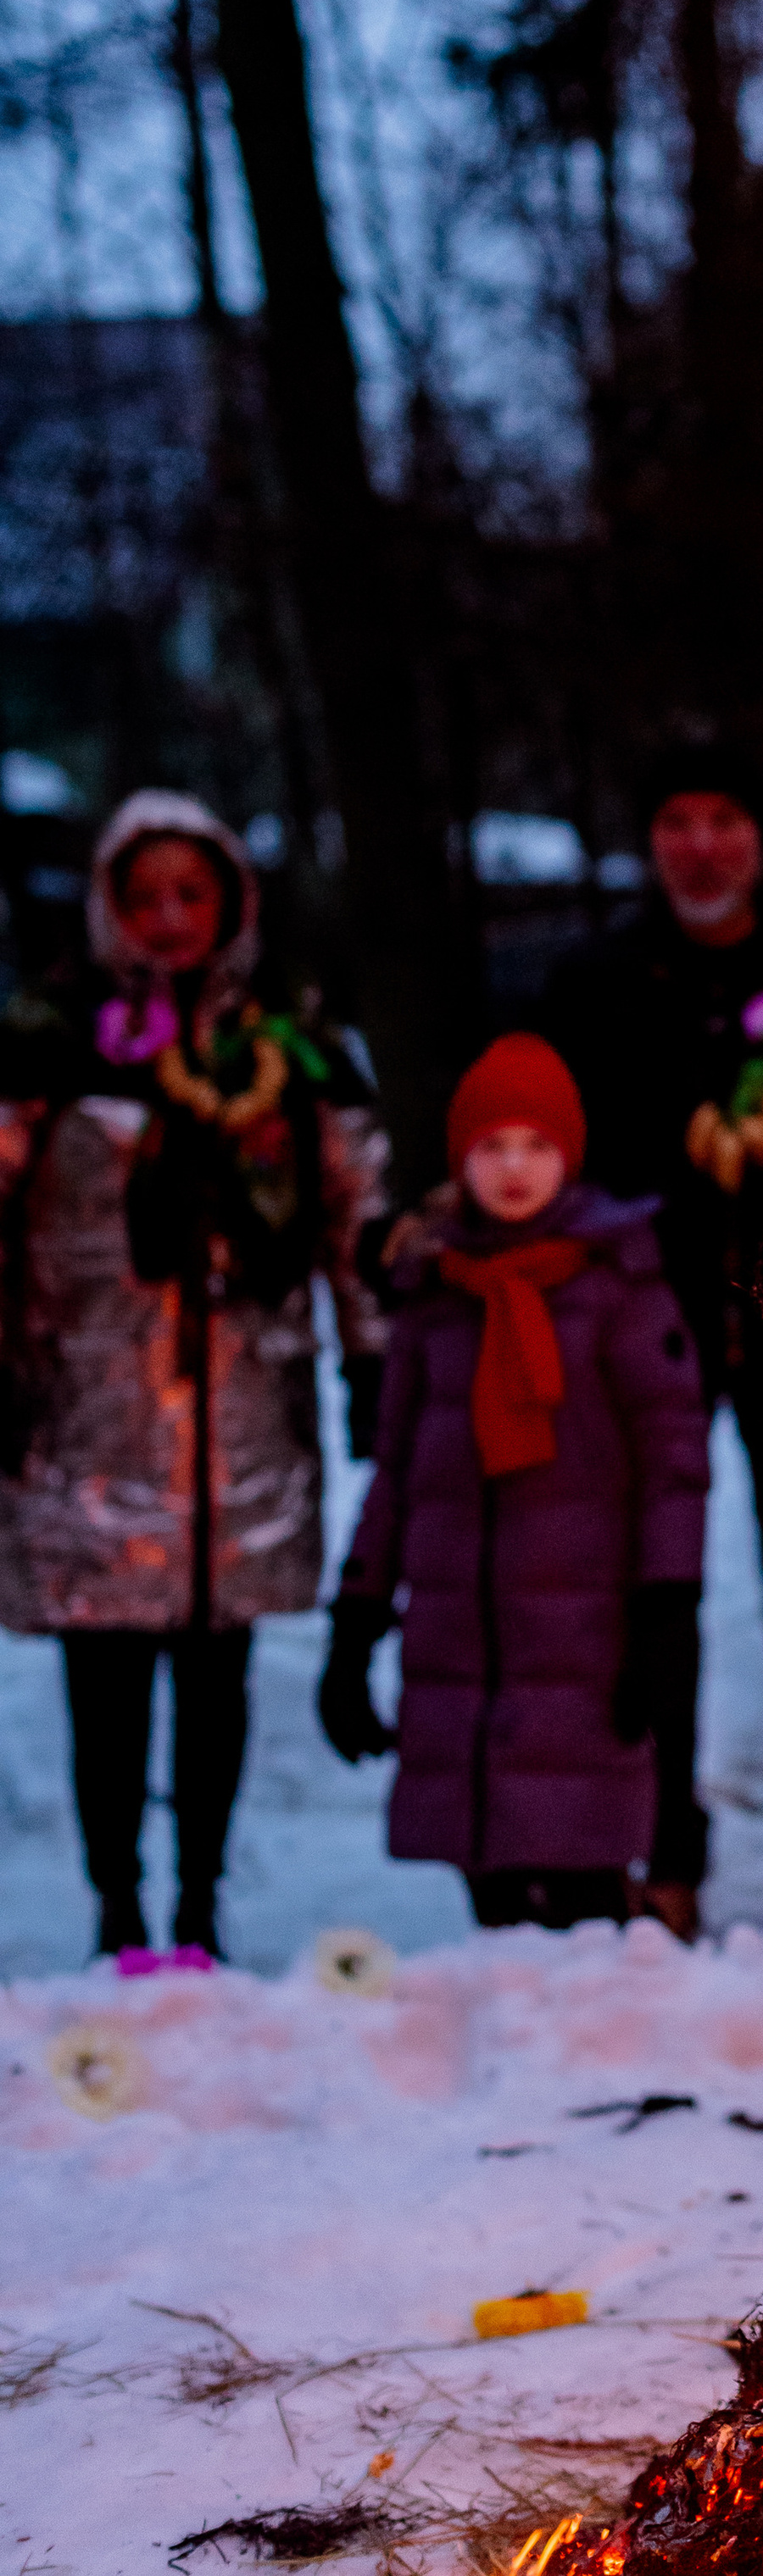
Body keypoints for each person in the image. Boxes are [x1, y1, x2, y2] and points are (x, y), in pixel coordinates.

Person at [0, 791, 392, 1960]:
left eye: (193, 892)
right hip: (86, 1413)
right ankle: (118, 1909)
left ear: (231, 900)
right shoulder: (44, 1034)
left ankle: (199, 1911)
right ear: (112, 906)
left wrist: (370, 1349)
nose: (172, 918)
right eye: (147, 895)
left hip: (243, 1416)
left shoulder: (294, 1039)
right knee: (105, 1673)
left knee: (217, 1667)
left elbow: (354, 1208)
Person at [541, 744, 763, 1950]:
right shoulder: (592, 978)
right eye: (677, 819)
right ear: (651, 840)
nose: (701, 842)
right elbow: (559, 1153)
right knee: (662, 1604)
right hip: (652, 1342)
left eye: (723, 816)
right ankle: (666, 1858)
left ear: (758, 836)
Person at [317, 1033, 710, 1930]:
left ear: (568, 1154)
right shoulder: (433, 1292)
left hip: (586, 1640)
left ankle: (604, 2046)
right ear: (461, 1161)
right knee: (494, 1887)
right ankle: (517, 2048)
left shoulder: (619, 1282)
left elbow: (671, 1463)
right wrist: (356, 1623)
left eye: (535, 1145)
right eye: (491, 1147)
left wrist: (666, 1613)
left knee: (580, 1887)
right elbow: (395, 1477)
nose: (514, 1168)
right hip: (464, 1650)